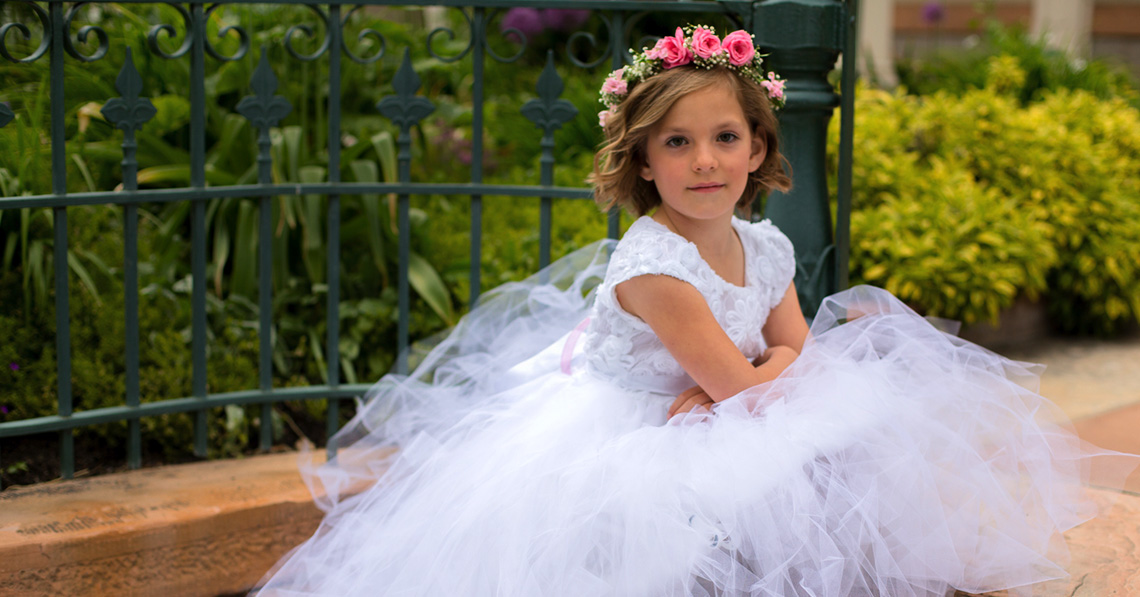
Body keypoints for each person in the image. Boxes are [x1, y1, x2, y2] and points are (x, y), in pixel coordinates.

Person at [256, 25, 1137, 597]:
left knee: (836, 437)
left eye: (725, 138)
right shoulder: (654, 267)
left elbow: (786, 355)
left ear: (760, 147)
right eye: (676, 143)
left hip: (722, 401)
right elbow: (750, 385)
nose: (704, 161)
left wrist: (772, 373)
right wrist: (769, 376)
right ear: (642, 160)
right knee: (696, 511)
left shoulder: (767, 245)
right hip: (634, 424)